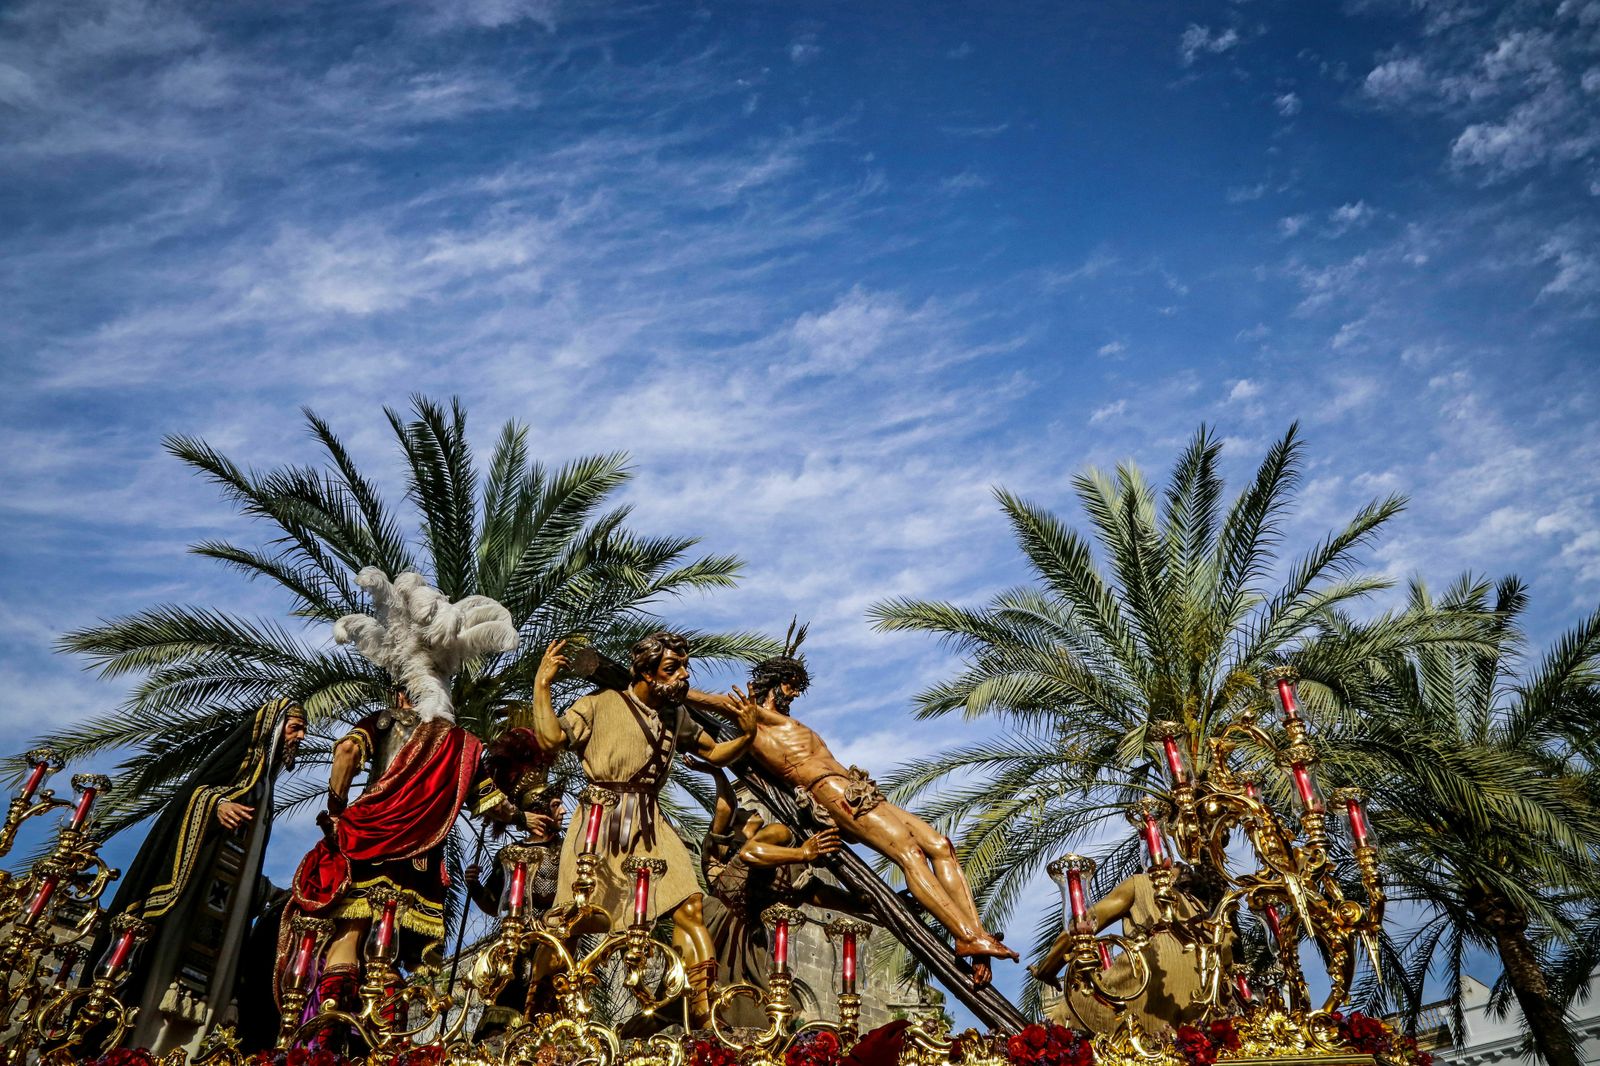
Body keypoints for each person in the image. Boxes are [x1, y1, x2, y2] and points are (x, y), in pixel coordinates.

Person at [688, 631, 1017, 986]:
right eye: (791, 685)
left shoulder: (780, 720)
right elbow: (703, 700)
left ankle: (974, 938)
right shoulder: (750, 715)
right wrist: (667, 684)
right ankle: (967, 935)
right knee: (908, 853)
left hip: (855, 786)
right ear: (775, 683)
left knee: (940, 845)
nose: (795, 693)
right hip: (832, 793)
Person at [275, 568, 522, 1020]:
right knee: (395, 951)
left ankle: (327, 1031)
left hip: (365, 840)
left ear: (403, 691)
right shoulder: (461, 745)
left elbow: (347, 751)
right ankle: (383, 1032)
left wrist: (337, 811)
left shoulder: (386, 721)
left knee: (350, 933)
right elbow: (494, 805)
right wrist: (526, 814)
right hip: (421, 857)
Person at [525, 633, 760, 1024]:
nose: (683, 676)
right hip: (601, 820)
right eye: (673, 668)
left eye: (685, 667)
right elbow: (550, 739)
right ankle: (538, 1010)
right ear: (646, 673)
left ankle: (703, 1009)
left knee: (690, 905)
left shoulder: (675, 716)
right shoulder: (598, 704)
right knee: (569, 921)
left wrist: (748, 734)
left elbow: (715, 753)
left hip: (651, 824)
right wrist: (542, 683)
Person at [90, 698, 306, 1055]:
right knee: (166, 963)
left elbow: (246, 859)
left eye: (302, 731)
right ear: (272, 727)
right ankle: (137, 1047)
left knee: (219, 977)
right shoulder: (238, 770)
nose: (299, 737)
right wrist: (215, 804)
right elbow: (191, 796)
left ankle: (186, 1051)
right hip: (190, 898)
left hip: (227, 912)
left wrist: (268, 891)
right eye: (295, 727)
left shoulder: (264, 789)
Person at [694, 758, 859, 1027]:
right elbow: (728, 810)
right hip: (716, 926)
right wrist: (803, 852)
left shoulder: (785, 869)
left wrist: (874, 906)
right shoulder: (723, 852)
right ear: (736, 828)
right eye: (745, 812)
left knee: (754, 1010)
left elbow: (828, 896)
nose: (751, 812)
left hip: (747, 941)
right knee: (694, 1000)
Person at [1030, 863, 1238, 1035]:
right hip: (1206, 994)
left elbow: (1084, 924)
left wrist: (1047, 969)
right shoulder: (1204, 910)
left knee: (1061, 1021)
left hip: (1152, 979)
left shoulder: (1141, 883)